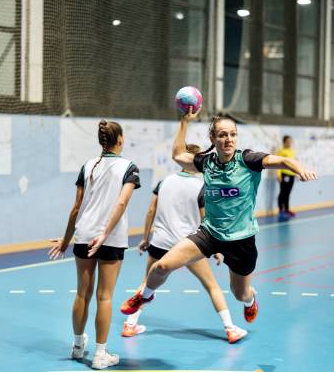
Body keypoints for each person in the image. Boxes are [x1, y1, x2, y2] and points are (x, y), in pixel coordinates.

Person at [120, 108, 316, 327]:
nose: (228, 139)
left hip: (241, 240)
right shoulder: (207, 162)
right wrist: (184, 121)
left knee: (239, 293)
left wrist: (300, 169)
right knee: (161, 267)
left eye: (232, 134)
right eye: (222, 134)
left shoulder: (248, 160)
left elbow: (282, 161)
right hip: (209, 233)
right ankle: (145, 295)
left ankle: (250, 300)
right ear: (213, 138)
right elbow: (177, 155)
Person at [123, 144, 247, 344]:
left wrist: (145, 238)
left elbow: (150, 211)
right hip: (188, 245)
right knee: (212, 286)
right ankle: (230, 328)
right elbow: (207, 219)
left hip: (160, 242)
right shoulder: (202, 186)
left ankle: (130, 324)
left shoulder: (164, 182)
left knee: (148, 283)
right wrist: (215, 248)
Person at [49, 120, 140, 370]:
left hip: (83, 235)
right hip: (109, 238)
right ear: (119, 140)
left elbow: (76, 208)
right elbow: (121, 204)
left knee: (82, 294)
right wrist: (105, 233)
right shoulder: (129, 167)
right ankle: (100, 355)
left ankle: (78, 346)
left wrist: (67, 239)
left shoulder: (87, 165)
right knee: (105, 296)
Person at [276, 135, 297, 219]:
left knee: (288, 193)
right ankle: (281, 210)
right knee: (282, 193)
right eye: (288, 141)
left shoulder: (292, 151)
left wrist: (296, 172)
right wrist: (278, 175)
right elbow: (278, 164)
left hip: (292, 175)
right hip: (284, 175)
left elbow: (293, 163)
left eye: (290, 141)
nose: (289, 143)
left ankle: (287, 210)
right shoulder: (281, 151)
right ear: (284, 142)